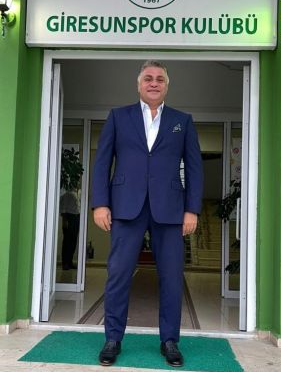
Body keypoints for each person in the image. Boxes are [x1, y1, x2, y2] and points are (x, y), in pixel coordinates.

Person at [91, 60, 203, 367]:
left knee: (171, 277)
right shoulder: (118, 117)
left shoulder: (183, 121)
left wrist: (191, 210)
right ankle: (112, 339)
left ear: (167, 85)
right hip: (126, 207)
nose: (154, 83)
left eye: (160, 79)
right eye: (148, 78)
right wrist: (100, 203)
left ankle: (170, 341)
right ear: (139, 84)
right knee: (118, 274)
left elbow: (194, 168)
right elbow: (102, 163)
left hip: (170, 210)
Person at [59, 190, 80, 270]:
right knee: (67, 241)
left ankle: (70, 262)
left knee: (73, 241)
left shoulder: (79, 192)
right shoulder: (68, 193)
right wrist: (65, 221)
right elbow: (63, 208)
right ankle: (65, 263)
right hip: (69, 217)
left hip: (76, 217)